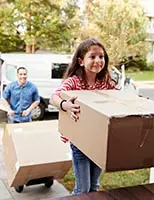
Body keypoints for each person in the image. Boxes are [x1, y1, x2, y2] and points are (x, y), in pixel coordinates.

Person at [50, 38, 116, 195]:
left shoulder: (105, 83)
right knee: (83, 189)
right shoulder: (74, 82)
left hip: (99, 141)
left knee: (94, 186)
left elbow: (120, 99)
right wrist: (64, 105)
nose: (98, 60)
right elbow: (54, 96)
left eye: (101, 57)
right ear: (81, 61)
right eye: (92, 57)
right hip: (80, 142)